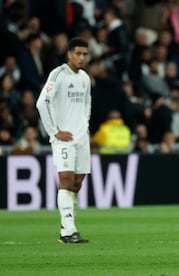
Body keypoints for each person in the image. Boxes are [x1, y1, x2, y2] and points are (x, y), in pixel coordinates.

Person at [36, 37, 91, 243]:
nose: (82, 57)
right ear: (69, 54)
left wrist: (85, 125)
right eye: (78, 53)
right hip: (64, 139)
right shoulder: (58, 74)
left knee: (77, 184)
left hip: (81, 138)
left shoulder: (85, 78)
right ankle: (69, 230)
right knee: (66, 181)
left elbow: (87, 104)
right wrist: (54, 131)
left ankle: (67, 227)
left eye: (85, 54)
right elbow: (42, 103)